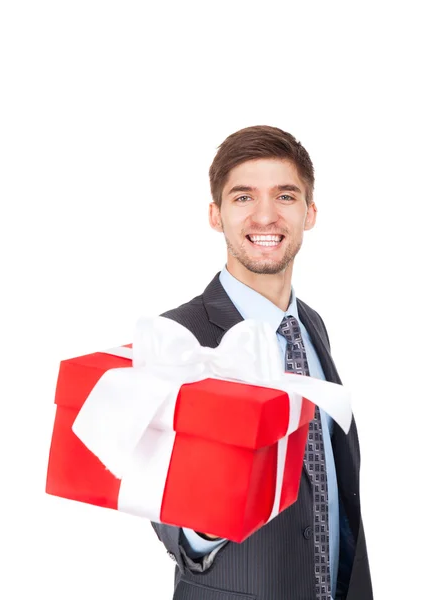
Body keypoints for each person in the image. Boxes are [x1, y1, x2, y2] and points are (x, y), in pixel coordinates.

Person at [151, 125, 373, 600]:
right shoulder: (179, 338)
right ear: (216, 215)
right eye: (244, 197)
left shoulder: (309, 325)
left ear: (310, 213)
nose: (266, 216)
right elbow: (165, 513)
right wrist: (207, 517)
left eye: (286, 196)